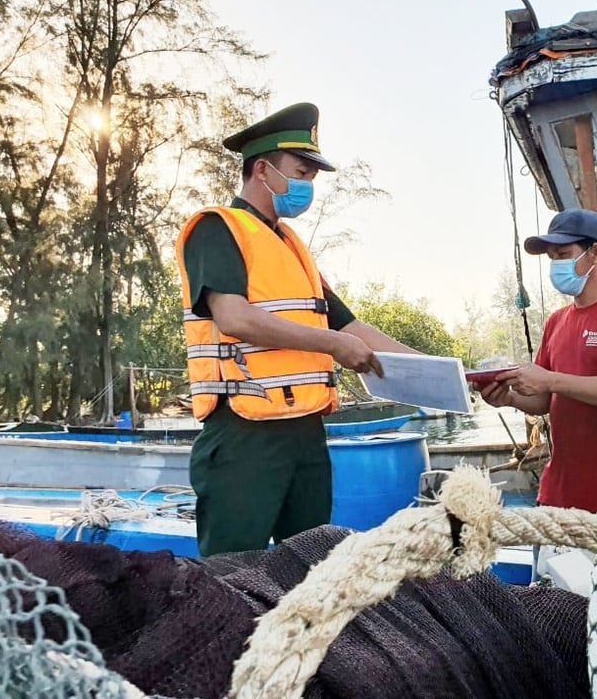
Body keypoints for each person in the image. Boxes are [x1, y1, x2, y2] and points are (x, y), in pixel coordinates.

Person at [175, 102, 417, 556]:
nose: (307, 186)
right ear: (262, 170)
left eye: (311, 177)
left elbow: (352, 326)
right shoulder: (218, 229)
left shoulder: (291, 246)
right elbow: (234, 317)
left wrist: (446, 372)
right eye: (301, 171)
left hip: (305, 433)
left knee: (309, 564)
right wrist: (332, 343)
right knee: (233, 570)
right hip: (245, 432)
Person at [478, 208, 597, 514]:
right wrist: (508, 397)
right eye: (551, 257)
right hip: (558, 491)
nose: (556, 264)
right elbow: (544, 401)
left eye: (563, 253)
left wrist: (549, 379)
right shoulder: (557, 322)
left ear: (595, 254)